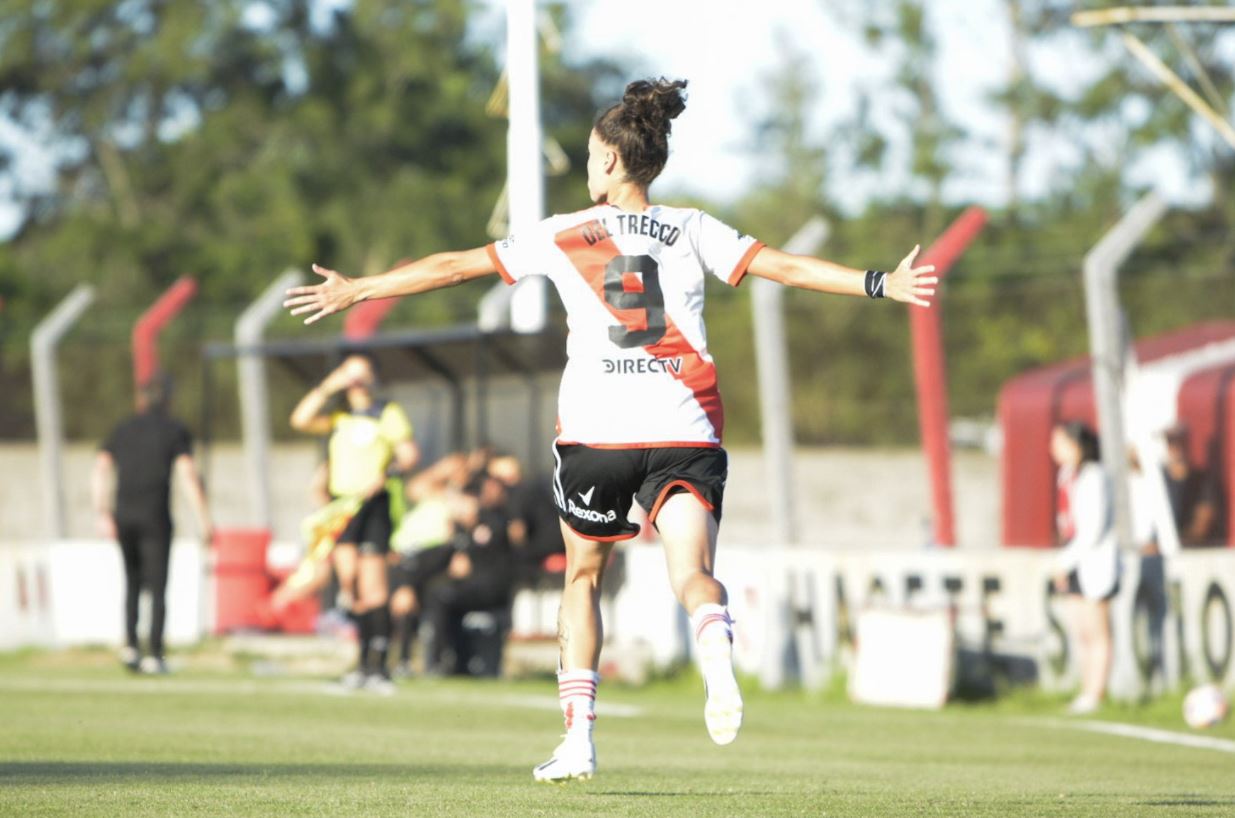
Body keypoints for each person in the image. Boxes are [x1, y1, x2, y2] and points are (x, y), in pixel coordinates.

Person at [283, 77, 936, 781]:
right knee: (693, 573)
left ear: (611, 160)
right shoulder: (692, 226)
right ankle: (714, 644)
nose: (589, 164)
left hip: (598, 433)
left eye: (593, 153)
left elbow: (453, 267)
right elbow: (784, 267)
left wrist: (359, 288)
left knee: (583, 577)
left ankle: (578, 741)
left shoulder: (562, 232)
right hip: (684, 426)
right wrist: (880, 283)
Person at [290, 354, 419, 692]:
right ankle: (362, 664)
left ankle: (380, 666)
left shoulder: (386, 413)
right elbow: (300, 419)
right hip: (343, 507)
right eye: (351, 375)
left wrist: (386, 474)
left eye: (362, 374)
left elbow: (409, 455)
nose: (357, 382)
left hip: (372, 505)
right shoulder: (340, 416)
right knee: (350, 584)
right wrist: (327, 386)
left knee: (373, 586)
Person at [91, 375, 213, 675]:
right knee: (158, 586)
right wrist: (204, 519)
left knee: (132, 582)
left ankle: (131, 646)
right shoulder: (175, 430)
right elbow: (187, 474)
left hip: (123, 514)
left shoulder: (123, 428)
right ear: (169, 399)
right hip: (155, 517)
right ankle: (154, 653)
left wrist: (102, 512)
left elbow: (101, 467)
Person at [1050, 421, 1120, 714]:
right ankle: (1085, 689)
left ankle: (1096, 692)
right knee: (1079, 630)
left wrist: (1065, 561)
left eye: (1060, 442)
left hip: (1092, 561)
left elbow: (1092, 530)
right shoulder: (1067, 475)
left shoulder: (1095, 477)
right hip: (1074, 560)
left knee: (1097, 631)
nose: (1054, 449)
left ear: (1077, 445)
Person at [1163, 424, 1220, 546]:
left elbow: (1202, 524)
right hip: (1162, 548)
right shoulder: (1160, 481)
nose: (1176, 448)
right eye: (1171, 443)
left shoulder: (1202, 481)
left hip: (1192, 551)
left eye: (1180, 442)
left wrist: (1175, 542)